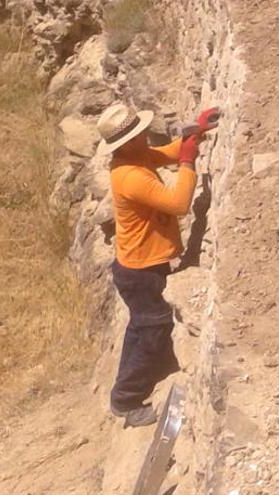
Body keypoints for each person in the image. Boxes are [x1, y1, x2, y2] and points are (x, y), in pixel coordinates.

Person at [96, 103, 218, 427]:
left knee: (142, 326)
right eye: (139, 134)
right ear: (127, 143)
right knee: (153, 327)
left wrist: (197, 133)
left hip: (140, 264)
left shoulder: (137, 157)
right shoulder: (130, 176)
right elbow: (179, 203)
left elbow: (168, 152)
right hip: (140, 271)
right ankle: (127, 399)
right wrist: (189, 161)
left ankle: (137, 381)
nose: (145, 136)